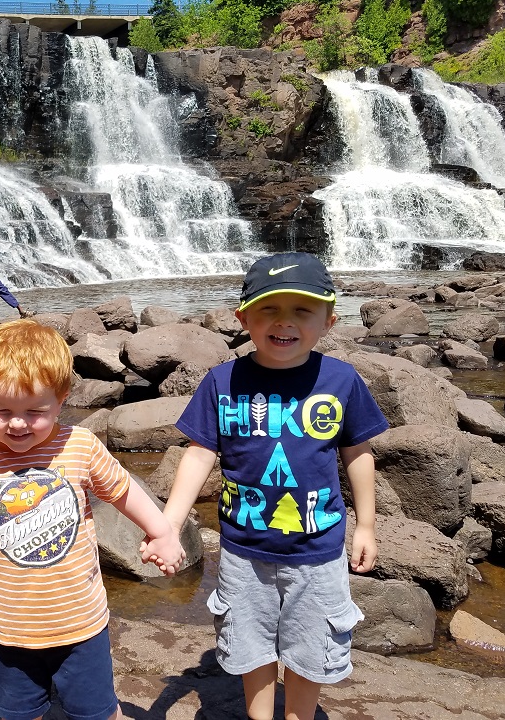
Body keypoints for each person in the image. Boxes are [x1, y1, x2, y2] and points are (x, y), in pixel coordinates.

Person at [160, 252, 389, 720]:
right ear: (243, 318)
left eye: (302, 310)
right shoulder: (222, 381)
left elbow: (357, 453)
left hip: (318, 551)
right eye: (269, 309)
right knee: (250, 645)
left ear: (329, 320)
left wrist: (366, 524)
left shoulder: (341, 379)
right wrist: (169, 523)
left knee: (311, 648)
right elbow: (200, 454)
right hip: (243, 551)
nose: (284, 322)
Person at [0, 319, 186, 720]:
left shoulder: (79, 445)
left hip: (81, 622)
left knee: (97, 712)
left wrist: (162, 532)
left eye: (35, 411)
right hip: (8, 626)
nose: (17, 423)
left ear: (62, 399)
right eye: (1, 411)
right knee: (16, 714)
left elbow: (123, 490)